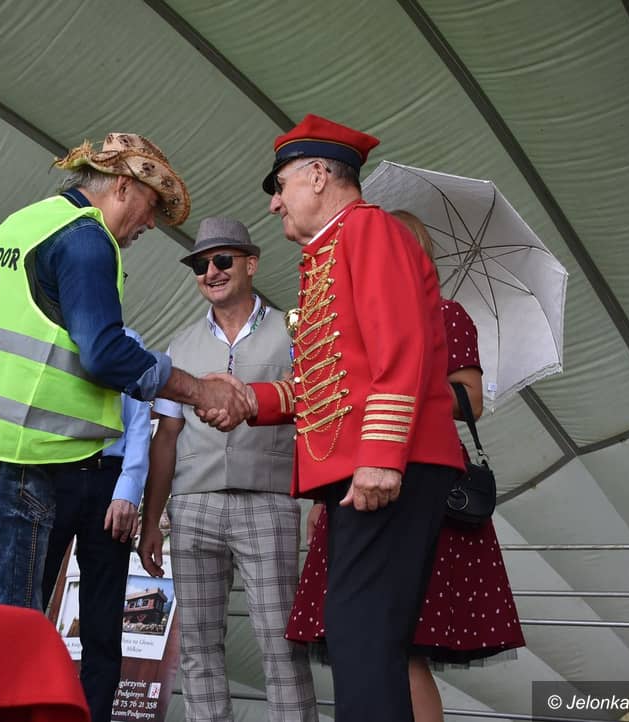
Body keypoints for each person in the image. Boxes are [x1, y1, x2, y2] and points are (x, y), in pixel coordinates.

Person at [201, 115, 466, 722]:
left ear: (318, 175)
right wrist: (251, 400)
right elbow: (334, 382)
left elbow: (400, 348)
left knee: (362, 632)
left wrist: (380, 458)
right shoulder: (334, 247)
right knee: (360, 634)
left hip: (389, 466)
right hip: (368, 469)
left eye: (281, 185)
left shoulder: (367, 230)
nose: (274, 203)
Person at [0, 132, 250, 610]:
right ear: (123, 187)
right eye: (152, 205)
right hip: (14, 459)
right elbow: (106, 353)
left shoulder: (24, 223)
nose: (150, 223)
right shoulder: (86, 240)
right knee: (8, 625)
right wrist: (199, 391)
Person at [284, 210, 526, 720]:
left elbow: (472, 400)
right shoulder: (360, 316)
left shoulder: (447, 314)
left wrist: (408, 376)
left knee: (402, 642)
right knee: (363, 638)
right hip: (360, 475)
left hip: (420, 479)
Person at [138, 217, 317, 722]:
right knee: (197, 648)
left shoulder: (293, 330)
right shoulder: (179, 345)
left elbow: (318, 417)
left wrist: (320, 502)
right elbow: (165, 437)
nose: (210, 272)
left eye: (221, 260)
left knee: (282, 644)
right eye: (200, 265)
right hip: (193, 507)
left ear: (251, 264)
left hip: (270, 502)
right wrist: (152, 522)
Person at [41, 327, 152, 722]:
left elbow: (139, 422)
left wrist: (129, 491)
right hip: (49, 477)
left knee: (103, 626)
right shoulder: (43, 334)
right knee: (27, 606)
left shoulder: (129, 341)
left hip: (110, 480)